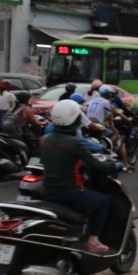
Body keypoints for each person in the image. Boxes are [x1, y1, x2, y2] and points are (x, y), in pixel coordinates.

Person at [39, 99, 112, 254]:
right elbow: (96, 165)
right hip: (69, 192)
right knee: (103, 201)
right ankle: (93, 241)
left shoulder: (45, 140)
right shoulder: (74, 143)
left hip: (46, 192)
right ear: (75, 120)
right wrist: (113, 165)